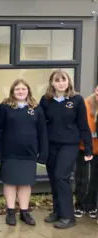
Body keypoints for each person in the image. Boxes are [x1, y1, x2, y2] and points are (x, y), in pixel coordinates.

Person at [39, 69, 92, 229]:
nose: (61, 83)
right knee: (54, 179)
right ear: (52, 83)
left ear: (68, 82)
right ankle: (57, 212)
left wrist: (88, 148)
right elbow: (40, 124)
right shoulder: (46, 100)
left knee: (61, 177)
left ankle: (68, 216)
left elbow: (83, 125)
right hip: (51, 145)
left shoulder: (76, 100)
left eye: (64, 80)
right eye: (57, 80)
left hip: (69, 145)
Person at [0, 79, 48, 226]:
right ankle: (10, 212)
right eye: (17, 89)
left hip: (29, 153)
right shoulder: (4, 107)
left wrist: (42, 154)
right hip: (9, 152)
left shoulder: (36, 108)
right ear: (12, 91)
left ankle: (24, 212)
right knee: (10, 182)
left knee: (25, 183)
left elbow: (42, 132)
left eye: (23, 89)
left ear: (28, 91)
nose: (20, 91)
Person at [74, 84, 98, 220]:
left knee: (95, 179)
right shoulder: (86, 103)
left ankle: (92, 206)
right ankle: (79, 205)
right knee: (82, 178)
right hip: (84, 147)